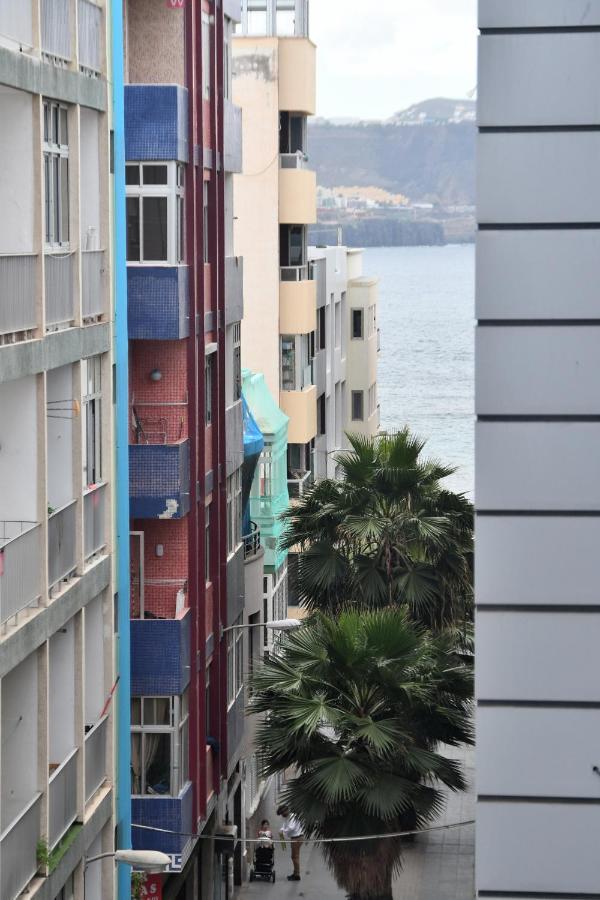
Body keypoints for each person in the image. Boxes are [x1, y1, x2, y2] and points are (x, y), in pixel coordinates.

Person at [277, 804, 304, 881]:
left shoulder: (292, 817)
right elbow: (284, 825)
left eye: (282, 814)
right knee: (294, 856)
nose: (282, 816)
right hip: (294, 838)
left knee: (295, 857)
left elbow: (291, 828)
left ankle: (297, 874)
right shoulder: (287, 817)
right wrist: (282, 829)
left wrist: (283, 832)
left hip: (297, 838)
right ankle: (295, 873)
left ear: (286, 812)